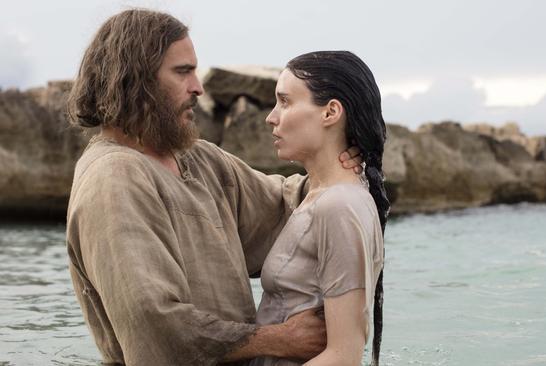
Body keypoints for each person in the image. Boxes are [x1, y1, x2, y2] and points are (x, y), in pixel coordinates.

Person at [65, 9, 361, 365]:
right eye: (182, 71)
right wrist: (278, 339)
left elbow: (283, 209)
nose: (198, 87)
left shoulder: (198, 159)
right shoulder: (112, 178)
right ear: (136, 79)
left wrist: (343, 165)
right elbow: (153, 321)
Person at [251, 51, 390, 366]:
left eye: (285, 102)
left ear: (330, 112)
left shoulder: (339, 205)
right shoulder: (320, 197)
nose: (271, 117)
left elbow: (344, 356)